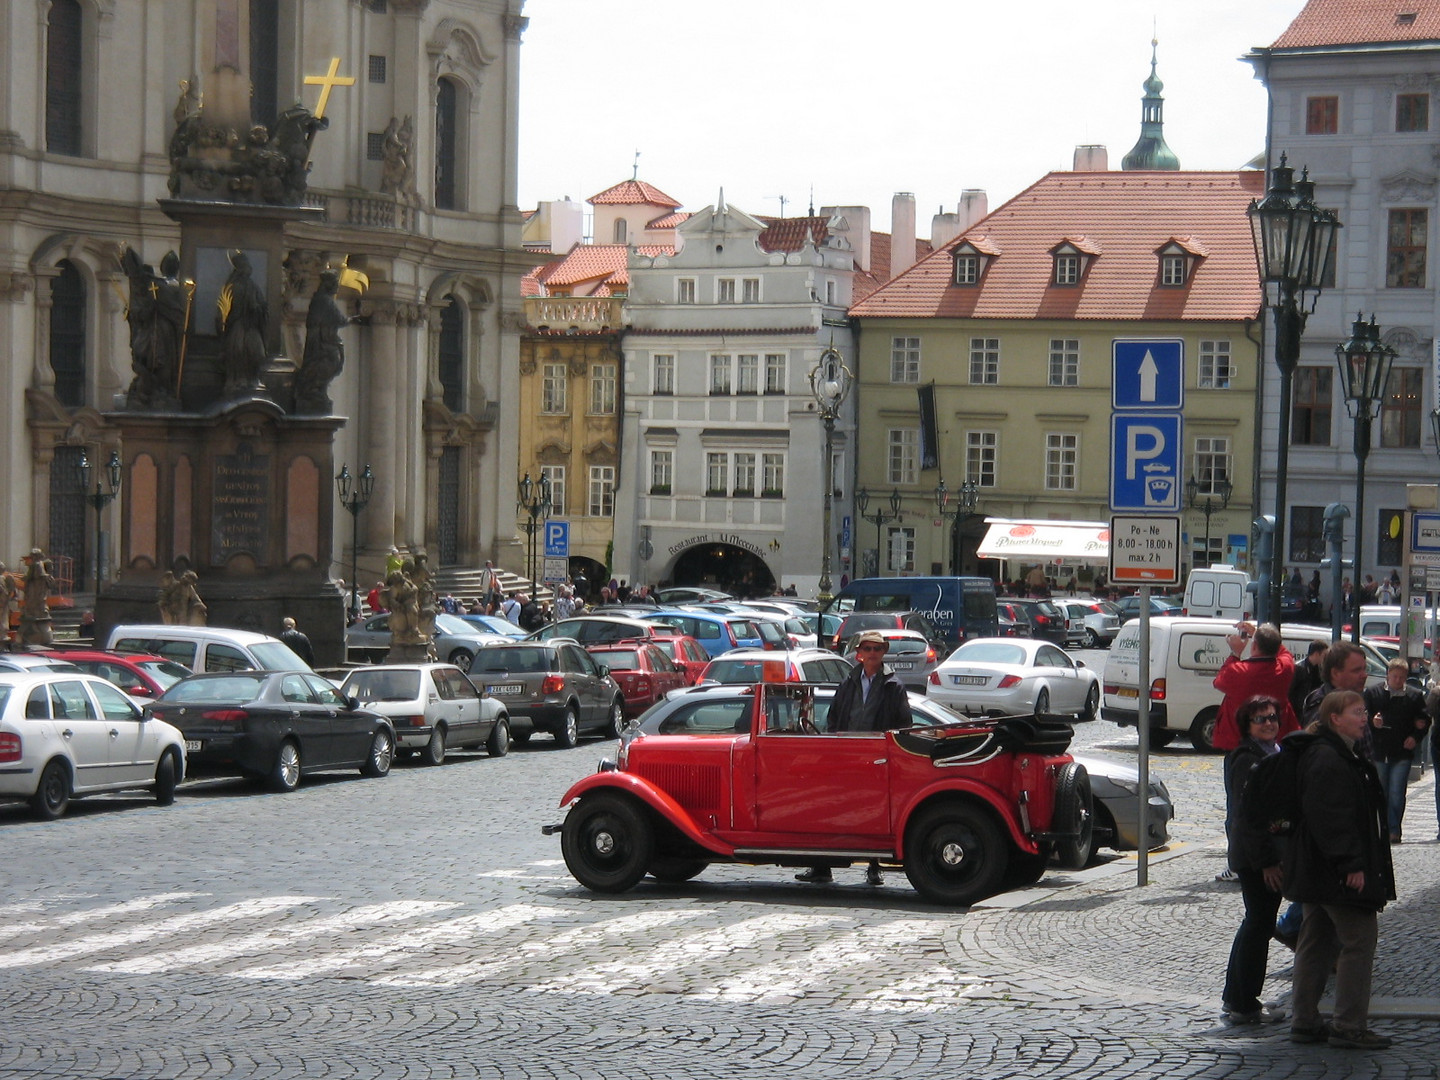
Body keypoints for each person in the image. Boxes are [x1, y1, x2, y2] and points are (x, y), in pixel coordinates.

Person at [1284, 690, 1395, 1049]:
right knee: (1359, 942)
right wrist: (1351, 865)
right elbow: (1332, 818)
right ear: (1335, 718)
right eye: (1357, 712)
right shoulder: (1328, 757)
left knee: (1315, 942)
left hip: (1318, 869)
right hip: (1334, 870)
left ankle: (1304, 1019)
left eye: (1364, 712)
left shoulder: (1333, 752)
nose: (1364, 718)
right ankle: (1348, 1025)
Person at [796, 630, 910, 887]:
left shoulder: (893, 685)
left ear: (884, 653)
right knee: (833, 810)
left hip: (876, 757)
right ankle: (822, 866)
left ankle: (874, 867)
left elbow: (903, 724)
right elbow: (835, 717)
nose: (872, 654)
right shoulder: (848, 682)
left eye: (877, 650)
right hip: (845, 755)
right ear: (859, 653)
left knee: (872, 813)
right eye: (868, 649)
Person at [1220, 695, 1289, 1025]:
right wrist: (1266, 862)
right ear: (1247, 726)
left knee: (1257, 923)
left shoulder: (1272, 754)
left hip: (1261, 853)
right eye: (1260, 719)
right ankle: (1243, 1002)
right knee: (1258, 924)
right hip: (1255, 857)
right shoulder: (1248, 760)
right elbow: (1249, 817)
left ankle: (1237, 996)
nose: (1269, 723)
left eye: (1272, 717)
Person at [1362, 658, 1429, 843]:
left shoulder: (1414, 696)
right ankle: (1381, 828)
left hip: (1402, 751)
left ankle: (1394, 829)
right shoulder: (1373, 693)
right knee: (1381, 791)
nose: (1398, 681)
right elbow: (1363, 716)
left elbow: (1424, 720)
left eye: (1401, 677)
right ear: (1387, 676)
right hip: (1379, 749)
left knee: (1397, 793)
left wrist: (1415, 737)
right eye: (1394, 677)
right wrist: (1372, 722)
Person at [1213, 622, 1299, 752]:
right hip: (1277, 736)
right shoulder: (1285, 668)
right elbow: (1284, 652)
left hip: (1239, 740)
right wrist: (1257, 633)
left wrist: (1235, 653)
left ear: (1254, 646)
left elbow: (1218, 681)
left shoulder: (1238, 671)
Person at [1302, 640, 1369, 725]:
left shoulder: (1357, 699)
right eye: (1356, 670)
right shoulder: (1322, 708)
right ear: (1335, 673)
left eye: (1364, 669)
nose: (1364, 675)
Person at [1289, 640, 1327, 721]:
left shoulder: (1320, 670)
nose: (1325, 658)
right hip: (1300, 712)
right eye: (1324, 655)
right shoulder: (1299, 669)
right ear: (1317, 654)